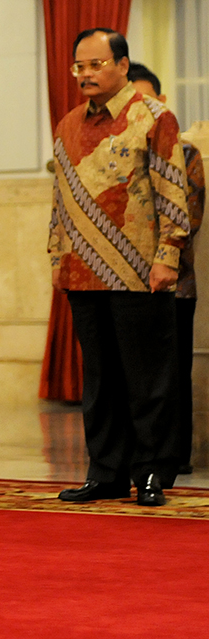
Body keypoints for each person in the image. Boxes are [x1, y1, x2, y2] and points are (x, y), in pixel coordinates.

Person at [50, 30, 189, 508]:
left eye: (95, 64)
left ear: (123, 65)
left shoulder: (154, 118)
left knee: (147, 380)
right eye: (79, 66)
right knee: (100, 379)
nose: (86, 74)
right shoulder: (68, 125)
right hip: (82, 272)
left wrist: (168, 257)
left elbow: (174, 191)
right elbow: (61, 202)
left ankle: (151, 472)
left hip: (140, 273)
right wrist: (58, 257)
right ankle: (104, 472)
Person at [127, 61, 203, 476]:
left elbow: (189, 214)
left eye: (146, 99)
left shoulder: (185, 151)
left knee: (171, 371)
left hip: (174, 280)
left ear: (162, 100)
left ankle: (173, 456)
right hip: (123, 281)